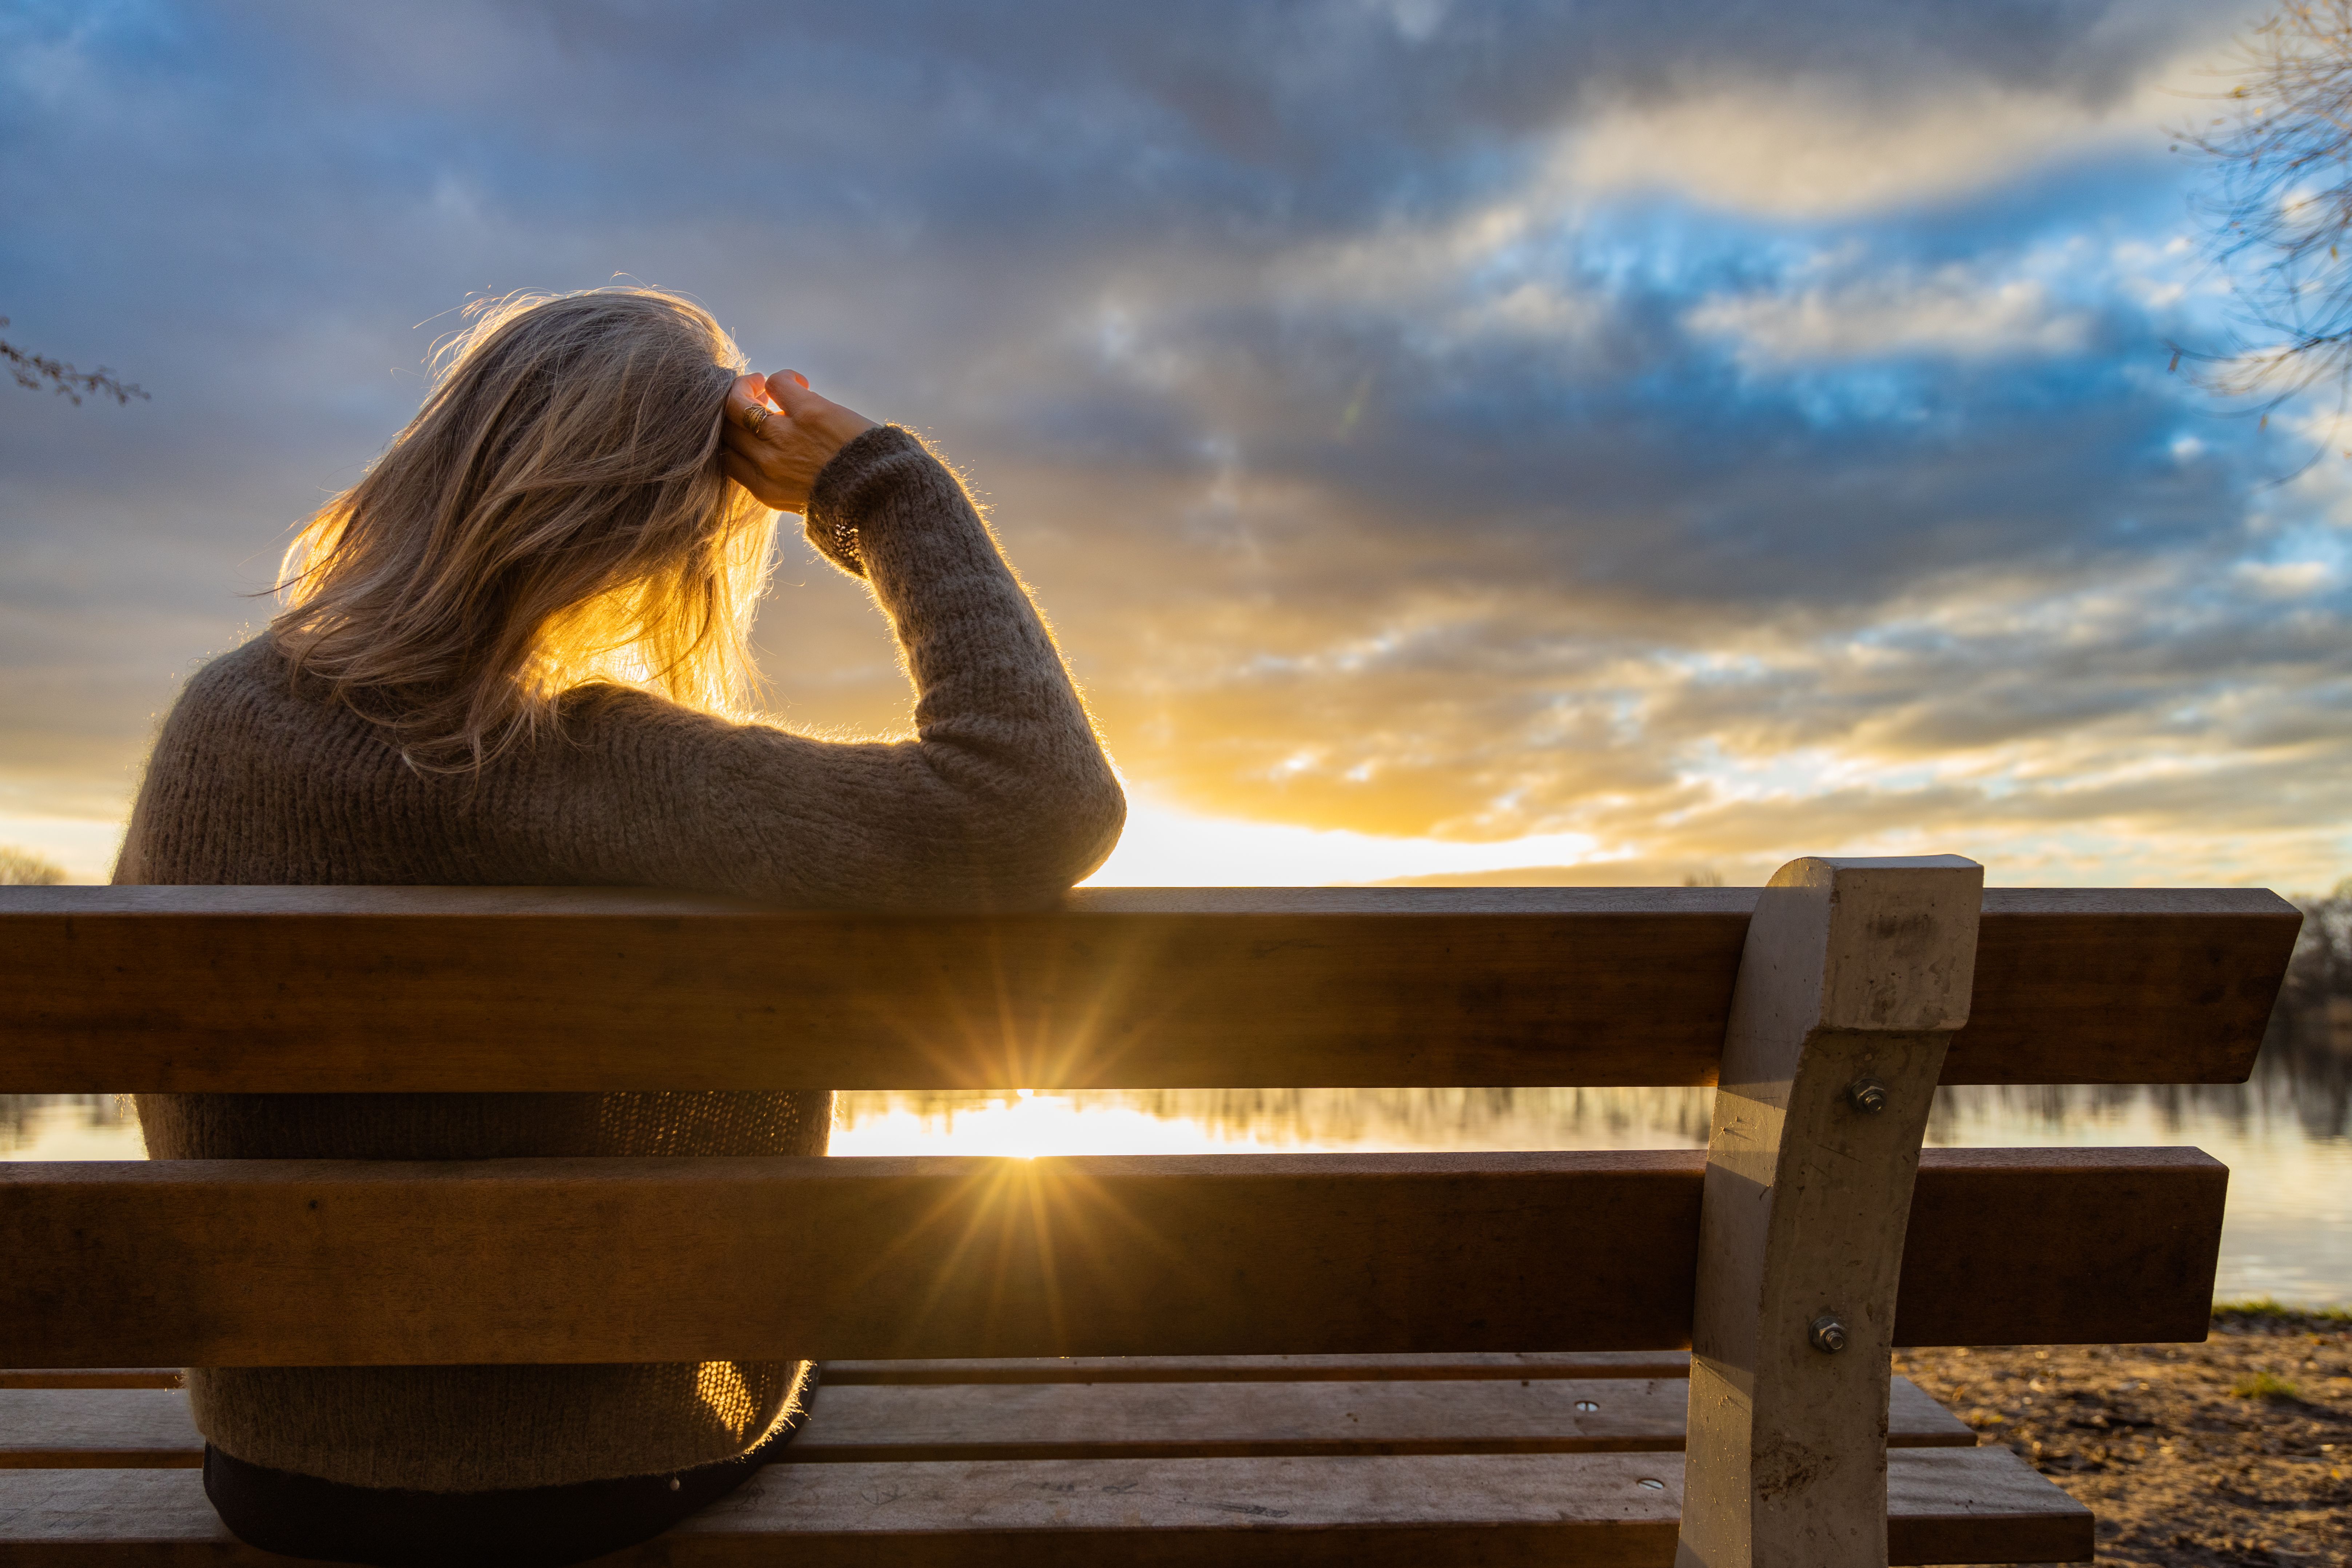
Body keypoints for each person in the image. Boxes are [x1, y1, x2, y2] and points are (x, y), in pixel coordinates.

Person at [114, 287, 1126, 1566]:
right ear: (661, 537)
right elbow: (1037, 797)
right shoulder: (590, 771)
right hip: (588, 1480)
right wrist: (883, 484)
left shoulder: (217, 721)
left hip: (276, 1474)